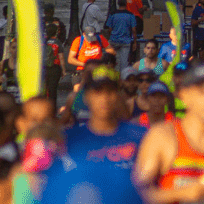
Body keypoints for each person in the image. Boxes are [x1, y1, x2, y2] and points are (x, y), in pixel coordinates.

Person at [133, 65, 204, 203]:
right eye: (202, 92)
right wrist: (178, 194)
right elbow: (136, 194)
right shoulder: (162, 137)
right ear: (183, 96)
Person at [41, 66, 147, 204]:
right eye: (98, 91)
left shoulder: (141, 137)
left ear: (118, 95)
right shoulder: (67, 141)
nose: (104, 98)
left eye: (110, 92)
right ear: (86, 97)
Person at [104, 0, 137, 72]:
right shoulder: (130, 15)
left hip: (113, 40)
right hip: (125, 41)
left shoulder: (112, 14)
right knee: (124, 64)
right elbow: (134, 30)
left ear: (118, 4)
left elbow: (109, 29)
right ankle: (123, 79)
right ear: (126, 4)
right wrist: (134, 42)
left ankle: (109, 75)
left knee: (109, 61)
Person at [43, 24, 66, 109]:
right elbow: (61, 58)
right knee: (53, 89)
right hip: (55, 67)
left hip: (44, 68)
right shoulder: (57, 42)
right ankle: (52, 108)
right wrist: (63, 70)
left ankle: (44, 107)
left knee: (44, 88)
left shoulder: (43, 42)